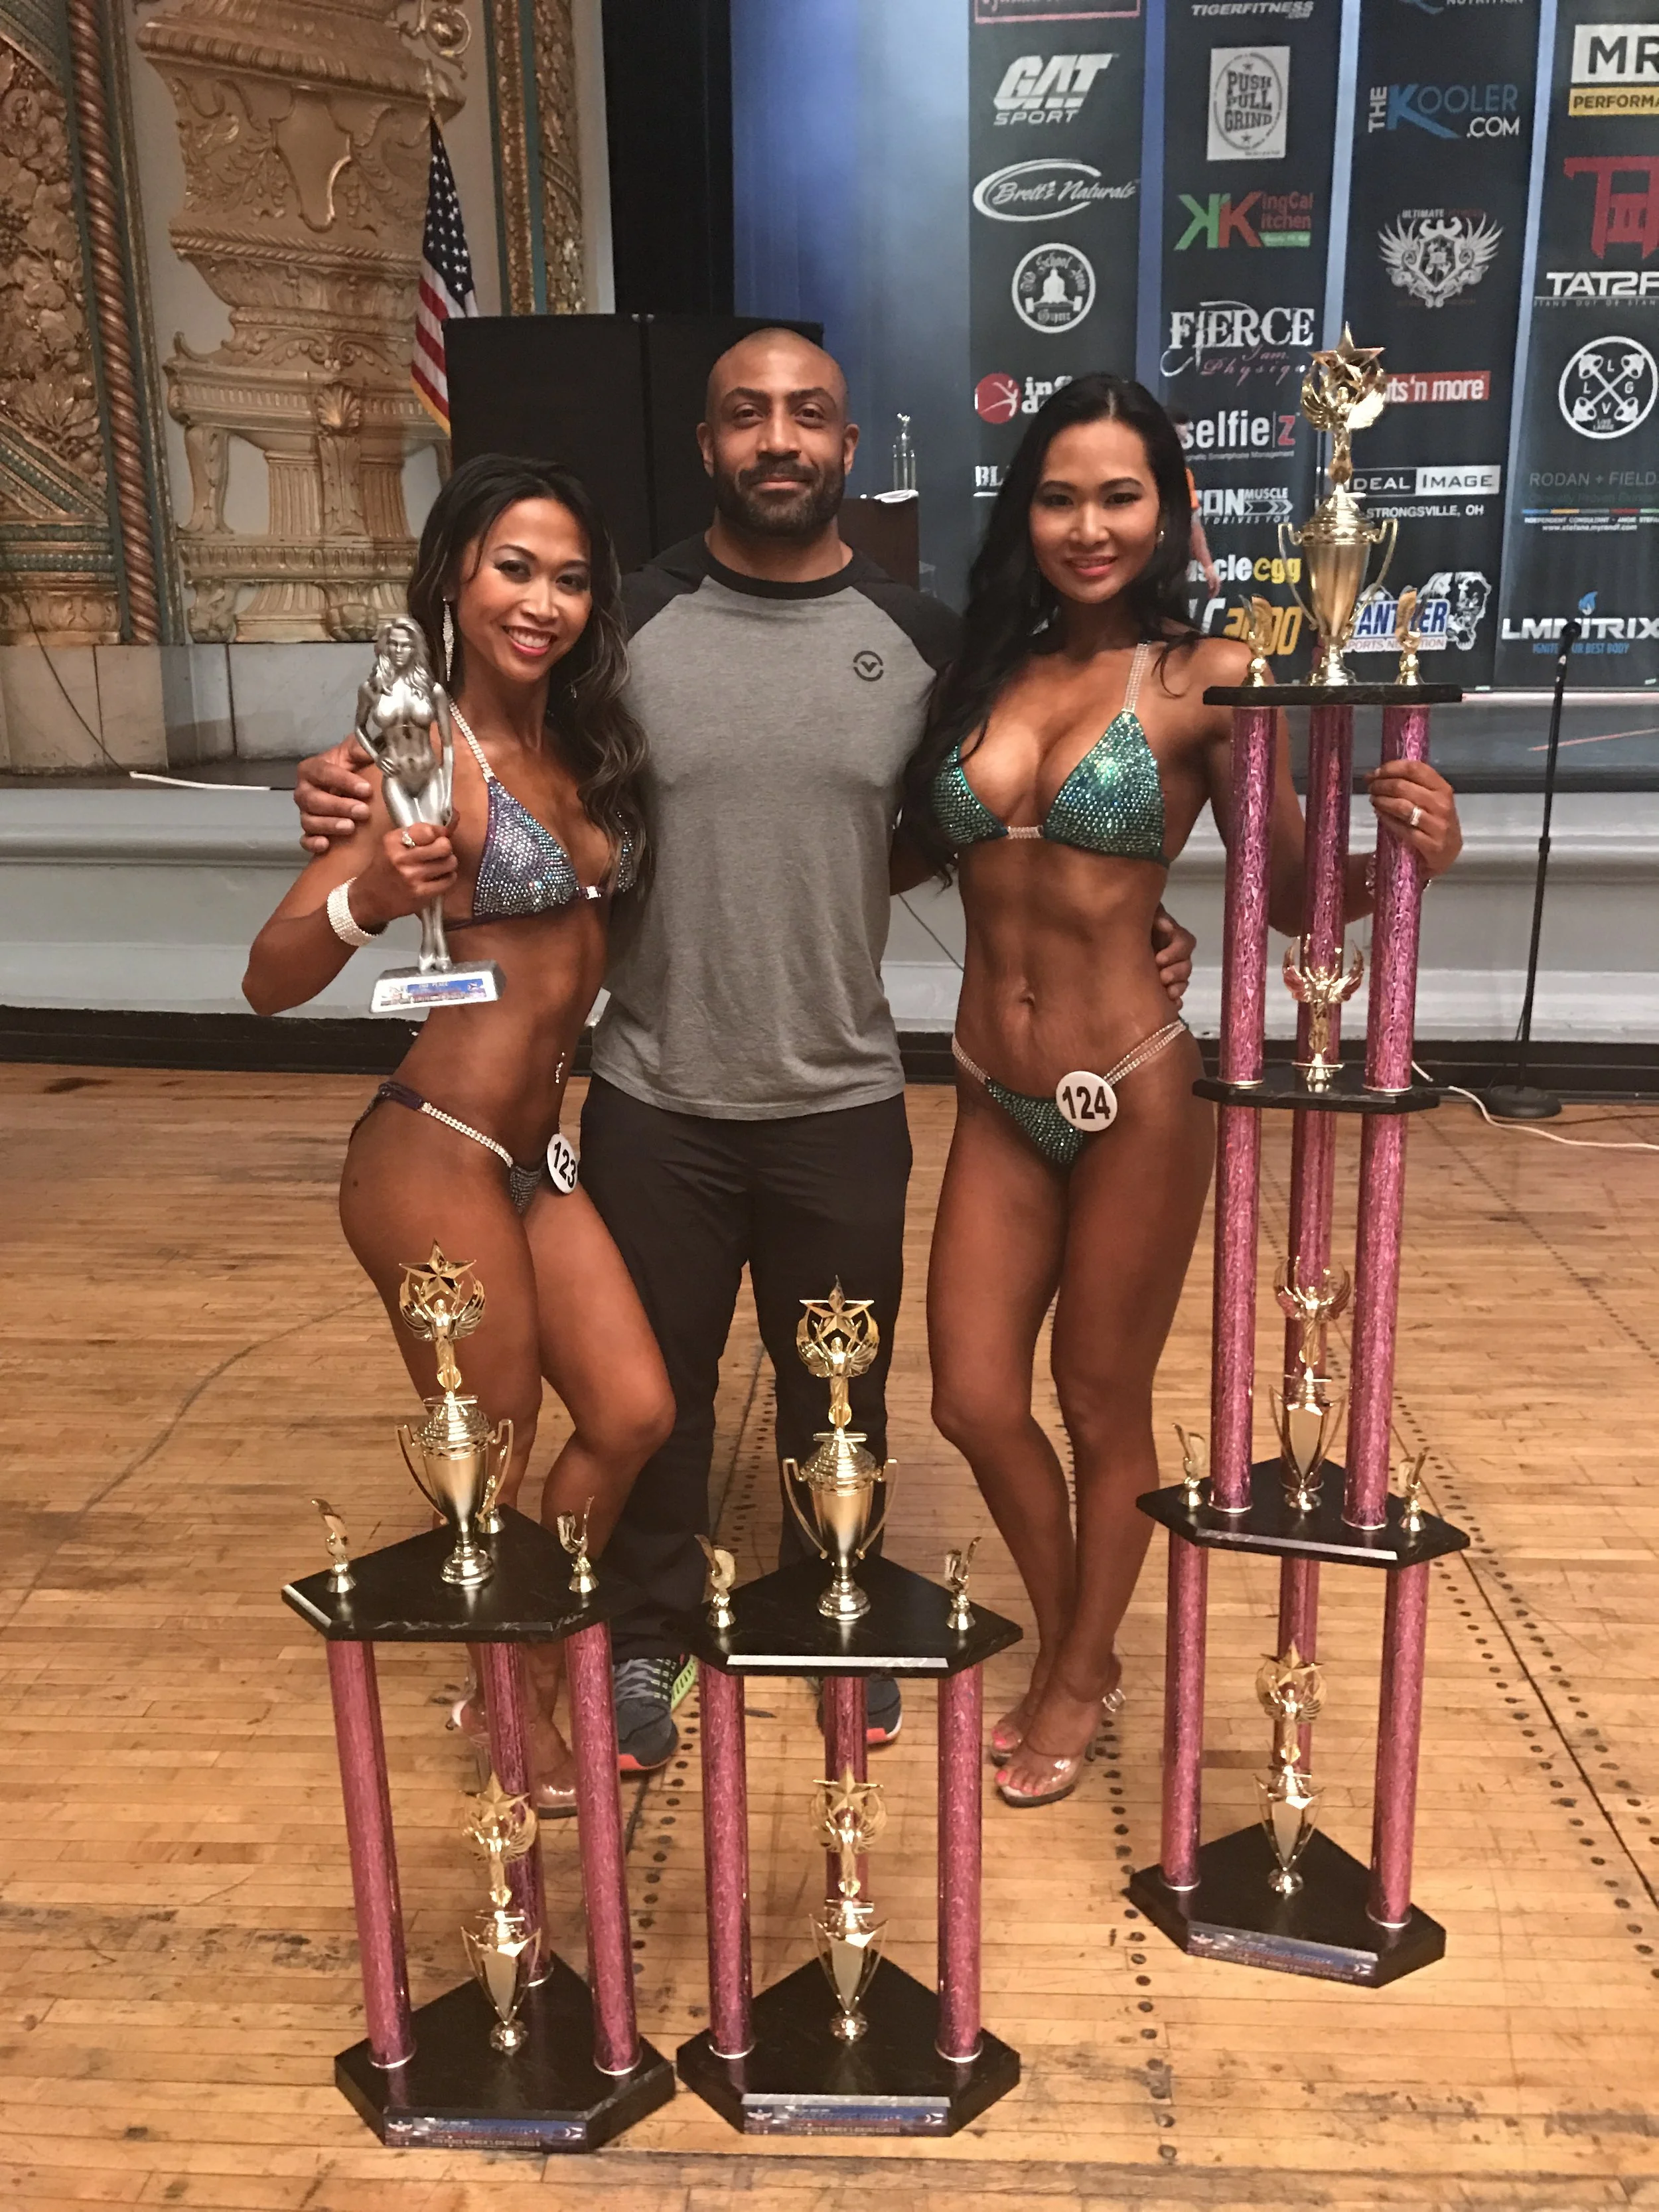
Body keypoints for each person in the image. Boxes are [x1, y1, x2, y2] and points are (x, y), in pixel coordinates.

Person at [293, 331, 1196, 1773]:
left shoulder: (923, 645)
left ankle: (834, 1605)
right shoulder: (616, 620)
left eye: (809, 416)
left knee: (838, 1385)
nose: (778, 439)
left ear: (847, 444)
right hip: (655, 1090)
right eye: (744, 415)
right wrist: (353, 784)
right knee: (662, 1399)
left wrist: (1140, 937)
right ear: (707, 444)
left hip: (842, 1089)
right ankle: (645, 1634)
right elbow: (489, 736)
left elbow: (971, 822)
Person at [899, 374, 1462, 1808]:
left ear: (1168, 509)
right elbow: (902, 844)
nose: (1087, 526)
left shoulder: (1201, 674)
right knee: (969, 1395)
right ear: (1022, 510)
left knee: (1096, 1396)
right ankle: (1077, 1627)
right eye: (1057, 494)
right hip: (984, 1091)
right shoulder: (981, 668)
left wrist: (1402, 852)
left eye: (1117, 494)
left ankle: (1075, 1673)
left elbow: (1286, 895)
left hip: (1133, 1090)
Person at [245, 453, 675, 1807]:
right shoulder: (411, 757)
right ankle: (514, 1696)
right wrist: (367, 888)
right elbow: (268, 975)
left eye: (565, 576)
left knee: (631, 1411)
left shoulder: (584, 747)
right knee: (485, 1446)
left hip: (539, 1152)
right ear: (450, 578)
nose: (539, 599)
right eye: (511, 567)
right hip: (430, 1145)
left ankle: (530, 1649)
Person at [1166, 408, 1220, 601]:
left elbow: (1193, 523)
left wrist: (1208, 566)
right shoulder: (1139, 472)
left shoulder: (1184, 475)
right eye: (1176, 439)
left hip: (1175, 571)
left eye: (1183, 440)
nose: (1180, 446)